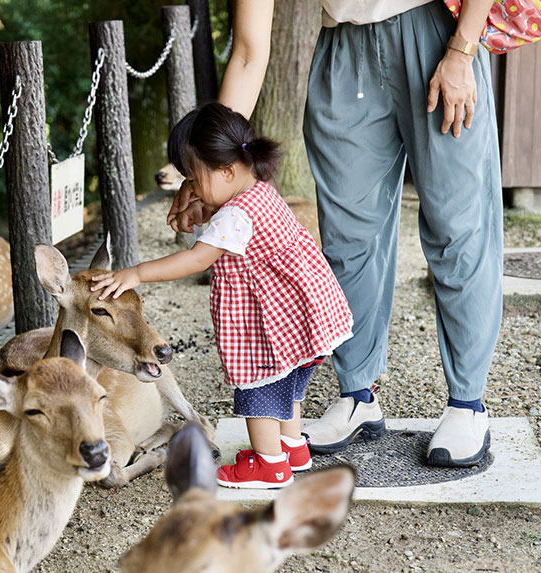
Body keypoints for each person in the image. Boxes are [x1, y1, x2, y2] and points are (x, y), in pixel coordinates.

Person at [168, 0, 501, 467]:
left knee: (457, 226)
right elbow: (247, 52)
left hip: (436, 32)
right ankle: (358, 394)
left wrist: (463, 49)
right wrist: (209, 170)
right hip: (343, 48)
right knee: (347, 236)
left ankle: (468, 403)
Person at [92, 103, 353, 489]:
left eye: (194, 180)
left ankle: (269, 465)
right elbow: (222, 212)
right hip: (301, 318)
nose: (191, 189)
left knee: (260, 390)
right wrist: (204, 202)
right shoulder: (258, 190)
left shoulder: (235, 217)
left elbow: (195, 259)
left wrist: (136, 273)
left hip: (271, 328)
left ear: (227, 171)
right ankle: (291, 447)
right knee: (287, 385)